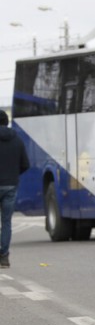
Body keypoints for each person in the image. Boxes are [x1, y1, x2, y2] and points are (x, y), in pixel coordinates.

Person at [0, 111, 30, 269]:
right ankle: (4, 258)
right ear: (7, 122)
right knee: (6, 222)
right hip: (10, 185)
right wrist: (13, 175)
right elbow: (26, 164)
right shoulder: (17, 140)